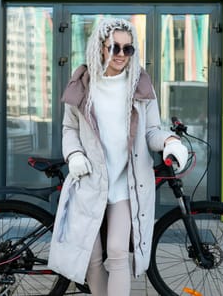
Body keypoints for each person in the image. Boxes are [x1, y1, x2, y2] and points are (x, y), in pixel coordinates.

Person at [48, 17, 188, 295]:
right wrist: (74, 154)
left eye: (128, 49)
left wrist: (171, 141)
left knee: (117, 252)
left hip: (126, 185)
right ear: (101, 47)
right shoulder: (82, 84)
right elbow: (69, 129)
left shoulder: (140, 86)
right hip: (90, 182)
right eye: (115, 48)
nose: (121, 55)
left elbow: (151, 132)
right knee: (91, 257)